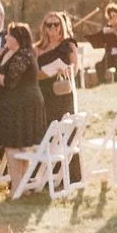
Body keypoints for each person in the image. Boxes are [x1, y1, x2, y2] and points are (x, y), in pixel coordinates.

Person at [0, 22, 47, 163]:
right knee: (14, 148)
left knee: (15, 147)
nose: (6, 37)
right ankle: (17, 183)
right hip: (11, 106)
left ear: (17, 38)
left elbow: (9, 81)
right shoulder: (8, 53)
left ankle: (18, 183)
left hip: (22, 106)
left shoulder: (23, 55)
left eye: (9, 35)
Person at [36, 13, 80, 182]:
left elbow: (74, 69)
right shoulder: (38, 48)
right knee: (47, 134)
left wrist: (65, 70)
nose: (53, 28)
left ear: (62, 26)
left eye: (56, 24)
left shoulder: (68, 45)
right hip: (44, 95)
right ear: (44, 27)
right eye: (49, 25)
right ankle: (48, 177)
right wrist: (49, 71)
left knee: (66, 134)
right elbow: (34, 74)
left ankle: (71, 177)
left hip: (62, 95)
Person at [90, 3, 117, 83]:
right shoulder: (107, 28)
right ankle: (103, 82)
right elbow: (101, 41)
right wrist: (106, 32)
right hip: (110, 57)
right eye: (111, 16)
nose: (113, 18)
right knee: (98, 66)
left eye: (115, 16)